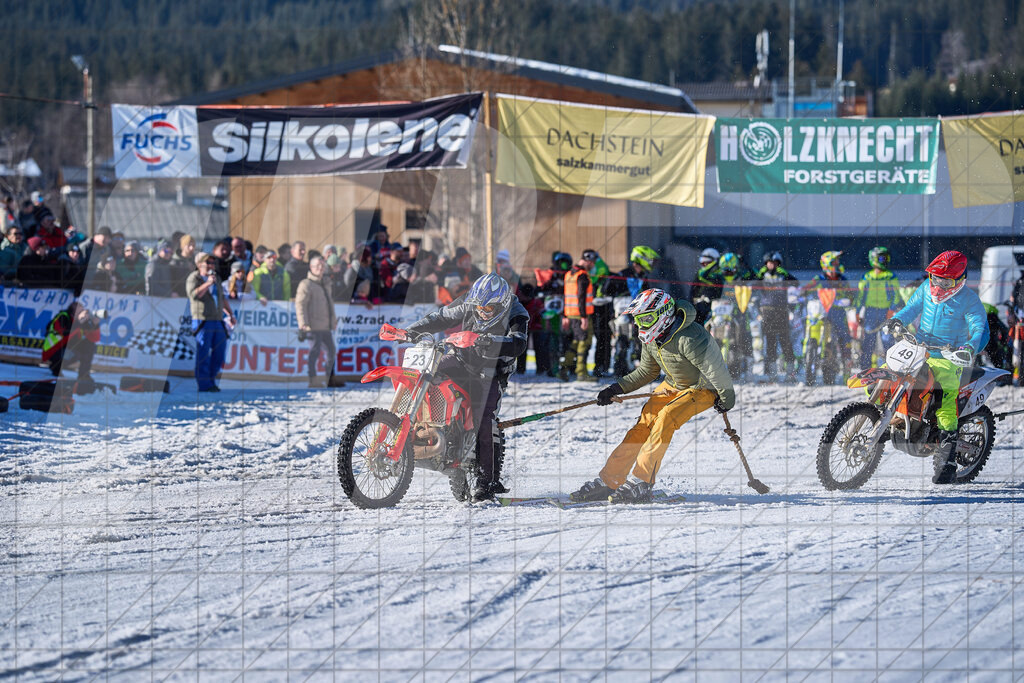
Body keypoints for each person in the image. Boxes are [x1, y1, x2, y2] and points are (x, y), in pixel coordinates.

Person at [570, 289, 735, 503]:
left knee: (666, 417)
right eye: (639, 319)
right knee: (643, 425)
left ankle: (642, 481)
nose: (642, 325)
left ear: (664, 314)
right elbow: (647, 371)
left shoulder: (690, 337)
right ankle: (610, 480)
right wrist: (615, 388)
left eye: (647, 318)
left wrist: (726, 398)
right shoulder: (652, 337)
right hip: (673, 385)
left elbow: (716, 370)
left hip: (703, 387)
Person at [402, 273, 528, 502]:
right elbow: (442, 317)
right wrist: (413, 330)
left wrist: (491, 342)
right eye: (478, 307)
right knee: (431, 374)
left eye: (487, 309)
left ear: (501, 304)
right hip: (463, 357)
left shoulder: (516, 312)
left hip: (493, 369)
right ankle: (429, 430)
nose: (481, 312)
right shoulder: (471, 301)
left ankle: (486, 481)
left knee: (484, 419)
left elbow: (519, 343)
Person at [883, 251, 988, 484]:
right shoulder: (924, 289)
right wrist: (897, 320)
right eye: (935, 278)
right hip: (919, 347)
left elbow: (979, 328)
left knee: (944, 398)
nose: (938, 285)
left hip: (950, 357)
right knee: (886, 370)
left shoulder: (970, 300)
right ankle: (883, 415)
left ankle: (947, 460)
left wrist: (970, 347)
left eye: (945, 281)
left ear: (960, 279)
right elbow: (910, 309)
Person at [187, 252, 236, 392]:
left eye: (212, 263)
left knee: (220, 352)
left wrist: (230, 314)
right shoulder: (194, 278)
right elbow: (194, 295)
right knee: (203, 352)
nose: (210, 265)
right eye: (207, 262)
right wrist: (207, 283)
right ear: (199, 264)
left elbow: (222, 297)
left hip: (217, 319)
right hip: (202, 319)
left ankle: (211, 380)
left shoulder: (216, 278)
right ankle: (204, 384)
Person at [801, 250, 855, 376]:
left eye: (837, 261)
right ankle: (809, 363)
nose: (837, 263)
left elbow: (851, 295)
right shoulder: (819, 279)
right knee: (811, 335)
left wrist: (847, 300)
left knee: (844, 340)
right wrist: (800, 293)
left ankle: (846, 373)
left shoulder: (842, 279)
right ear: (827, 263)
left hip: (838, 313)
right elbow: (806, 289)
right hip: (820, 312)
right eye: (834, 261)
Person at [606, 245, 658, 377]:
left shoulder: (643, 277)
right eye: (650, 260)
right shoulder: (622, 275)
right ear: (641, 259)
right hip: (622, 315)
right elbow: (606, 290)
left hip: (639, 316)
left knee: (641, 342)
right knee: (622, 342)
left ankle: (640, 371)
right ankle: (620, 370)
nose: (651, 263)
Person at [296, 255, 342, 388]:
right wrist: (302, 323)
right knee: (314, 352)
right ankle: (313, 379)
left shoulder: (326, 283)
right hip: (313, 325)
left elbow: (330, 304)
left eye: (322, 266)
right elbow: (300, 305)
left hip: (325, 325)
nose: (320, 268)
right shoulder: (306, 284)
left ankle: (330, 378)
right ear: (311, 268)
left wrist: (333, 320)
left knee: (331, 351)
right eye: (317, 266)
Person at [856, 246, 902, 368]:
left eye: (885, 258)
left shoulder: (890, 276)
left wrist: (891, 310)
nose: (884, 260)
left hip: (885, 312)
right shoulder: (867, 277)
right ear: (874, 259)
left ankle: (890, 368)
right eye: (881, 258)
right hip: (870, 311)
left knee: (888, 341)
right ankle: (865, 369)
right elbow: (860, 296)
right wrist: (857, 311)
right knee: (868, 342)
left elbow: (896, 296)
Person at [756, 251, 799, 380]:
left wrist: (785, 274)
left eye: (774, 263)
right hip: (767, 311)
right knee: (770, 342)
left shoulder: (783, 275)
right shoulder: (762, 275)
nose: (772, 266)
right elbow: (753, 283)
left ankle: (790, 373)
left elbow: (796, 283)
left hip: (781, 311)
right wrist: (760, 273)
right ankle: (772, 374)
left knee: (785, 341)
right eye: (769, 263)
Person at [42, 302, 105, 383]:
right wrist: (79, 323)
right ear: (73, 311)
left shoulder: (80, 320)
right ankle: (56, 367)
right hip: (53, 350)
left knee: (89, 345)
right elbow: (64, 333)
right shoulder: (63, 317)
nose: (83, 312)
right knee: (73, 353)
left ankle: (83, 375)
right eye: (79, 310)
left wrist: (95, 325)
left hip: (67, 348)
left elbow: (95, 338)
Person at [559, 251, 597, 382]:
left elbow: (565, 295)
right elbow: (580, 297)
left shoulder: (569, 274)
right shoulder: (582, 276)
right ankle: (581, 373)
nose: (593, 266)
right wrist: (584, 317)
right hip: (581, 315)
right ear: (588, 261)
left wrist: (564, 314)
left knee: (575, 342)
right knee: (584, 343)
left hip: (571, 313)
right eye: (592, 263)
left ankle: (563, 368)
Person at [585, 249, 614, 377]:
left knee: (602, 338)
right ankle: (602, 366)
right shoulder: (597, 266)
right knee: (602, 339)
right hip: (597, 308)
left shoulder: (599, 266)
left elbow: (594, 280)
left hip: (601, 308)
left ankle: (601, 367)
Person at [690, 247, 724, 325]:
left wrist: (716, 263)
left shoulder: (719, 274)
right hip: (701, 306)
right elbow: (693, 292)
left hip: (717, 306)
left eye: (708, 263)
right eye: (703, 264)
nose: (705, 266)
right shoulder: (699, 274)